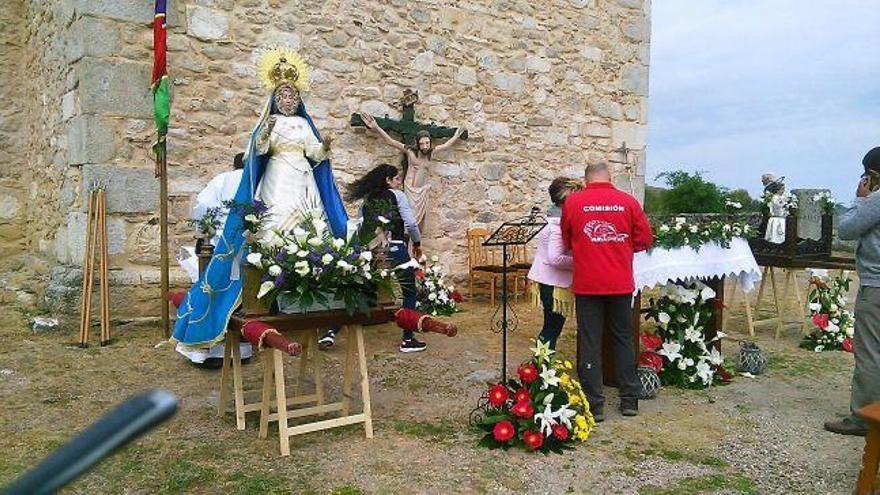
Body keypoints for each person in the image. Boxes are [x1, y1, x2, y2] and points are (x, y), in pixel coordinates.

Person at [173, 48, 348, 349]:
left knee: (309, 224)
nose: (288, 100)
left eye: (292, 96)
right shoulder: (269, 122)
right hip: (279, 175)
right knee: (277, 223)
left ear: (298, 99)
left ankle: (307, 287)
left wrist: (326, 146)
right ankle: (272, 287)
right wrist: (264, 134)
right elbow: (260, 151)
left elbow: (315, 153)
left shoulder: (305, 125)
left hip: (303, 176)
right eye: (283, 96)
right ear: (275, 98)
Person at [561, 162, 653, 422]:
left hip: (588, 283)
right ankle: (629, 400)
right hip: (620, 282)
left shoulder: (573, 203)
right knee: (623, 338)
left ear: (586, 179)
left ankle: (595, 404)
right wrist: (619, 248)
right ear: (609, 177)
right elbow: (644, 240)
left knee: (590, 341)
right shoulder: (628, 202)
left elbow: (567, 241)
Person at [175, 152, 254, 368]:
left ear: (234, 164)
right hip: (248, 246)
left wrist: (204, 231)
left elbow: (202, 208)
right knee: (241, 297)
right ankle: (242, 350)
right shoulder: (257, 180)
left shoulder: (222, 180)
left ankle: (207, 352)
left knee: (214, 293)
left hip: (222, 244)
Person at [824, 146, 880, 436]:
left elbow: (846, 229)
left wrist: (860, 199)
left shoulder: (876, 199)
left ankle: (864, 419)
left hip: (877, 285)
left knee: (869, 353)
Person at [348, 163, 427, 353]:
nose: (400, 182)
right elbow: (410, 223)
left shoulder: (367, 199)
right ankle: (408, 340)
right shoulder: (398, 196)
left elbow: (361, 225)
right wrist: (416, 243)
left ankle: (331, 331)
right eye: (397, 179)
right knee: (409, 292)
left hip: (374, 250)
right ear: (388, 180)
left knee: (362, 291)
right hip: (397, 248)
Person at [359, 112, 464, 231]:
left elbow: (446, 145)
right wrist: (376, 127)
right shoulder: (410, 152)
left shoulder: (431, 153)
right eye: (422, 144)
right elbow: (391, 141)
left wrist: (456, 135)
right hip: (411, 191)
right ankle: (409, 246)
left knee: (420, 225)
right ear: (418, 144)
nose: (425, 146)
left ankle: (416, 247)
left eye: (427, 143)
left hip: (423, 191)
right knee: (410, 223)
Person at [527, 177, 582, 350]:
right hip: (554, 283)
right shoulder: (558, 224)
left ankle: (541, 368)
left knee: (550, 327)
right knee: (552, 329)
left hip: (548, 281)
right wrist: (581, 262)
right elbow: (555, 258)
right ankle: (541, 369)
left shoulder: (550, 218)